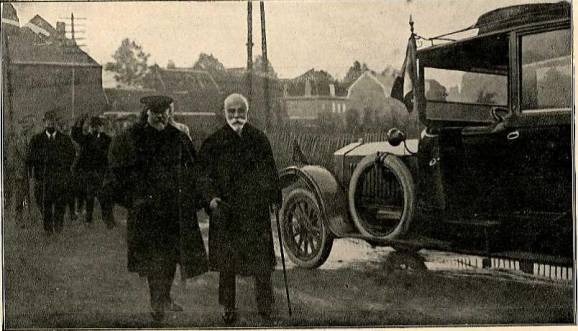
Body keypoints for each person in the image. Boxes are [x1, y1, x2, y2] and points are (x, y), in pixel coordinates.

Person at [105, 95, 208, 322]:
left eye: (165, 112)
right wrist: (131, 199)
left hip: (174, 210)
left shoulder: (179, 138)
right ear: (147, 113)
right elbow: (118, 172)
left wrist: (199, 198)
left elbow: (195, 170)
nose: (161, 116)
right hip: (147, 212)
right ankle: (157, 301)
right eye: (156, 112)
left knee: (171, 258)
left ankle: (166, 297)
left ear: (170, 113)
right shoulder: (133, 138)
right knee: (154, 259)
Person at [198, 93, 282, 324]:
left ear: (247, 112)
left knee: (262, 262)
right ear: (224, 113)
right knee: (227, 263)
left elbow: (270, 171)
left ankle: (266, 306)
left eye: (240, 111)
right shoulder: (213, 142)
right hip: (226, 211)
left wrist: (274, 196)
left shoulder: (259, 139)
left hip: (254, 211)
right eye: (231, 112)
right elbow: (203, 176)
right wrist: (210, 199)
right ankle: (227, 305)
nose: (236, 116)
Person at [27, 109, 76, 235]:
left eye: (53, 121)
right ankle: (48, 230)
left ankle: (59, 228)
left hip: (60, 179)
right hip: (44, 179)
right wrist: (34, 173)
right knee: (46, 205)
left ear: (56, 122)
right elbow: (31, 158)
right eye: (48, 121)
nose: (50, 123)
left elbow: (71, 155)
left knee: (60, 204)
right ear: (44, 122)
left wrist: (64, 169)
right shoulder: (36, 140)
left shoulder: (64, 140)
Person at [71, 114, 115, 228]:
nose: (96, 128)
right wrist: (80, 121)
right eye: (94, 126)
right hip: (91, 172)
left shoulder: (106, 139)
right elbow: (75, 135)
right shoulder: (88, 138)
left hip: (101, 172)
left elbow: (110, 155)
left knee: (103, 197)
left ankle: (107, 220)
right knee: (90, 196)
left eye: (98, 126)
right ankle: (89, 220)